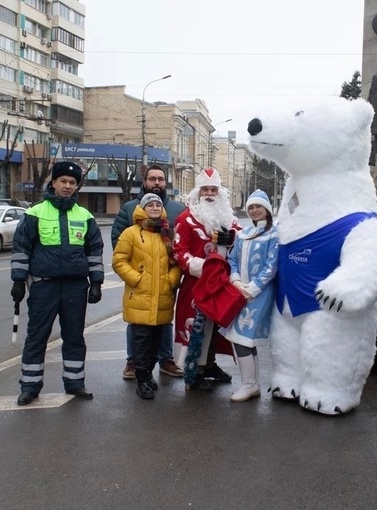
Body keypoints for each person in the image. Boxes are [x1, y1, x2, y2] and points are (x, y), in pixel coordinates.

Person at [11, 161, 104, 405]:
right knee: (37, 336)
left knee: (74, 336)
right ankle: (30, 386)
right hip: (44, 285)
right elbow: (22, 249)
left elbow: (94, 251)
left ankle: (75, 383)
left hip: (75, 286)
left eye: (72, 183)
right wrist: (19, 281)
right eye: (63, 181)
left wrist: (96, 282)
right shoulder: (35, 212)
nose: (67, 186)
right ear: (53, 183)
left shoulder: (85, 216)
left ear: (76, 187)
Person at [111, 164, 185, 380]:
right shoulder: (129, 208)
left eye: (160, 179)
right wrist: (137, 273)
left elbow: (180, 247)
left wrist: (171, 279)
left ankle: (166, 359)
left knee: (164, 321)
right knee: (137, 322)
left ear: (165, 182)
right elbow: (119, 240)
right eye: (152, 179)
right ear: (144, 182)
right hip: (141, 281)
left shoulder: (177, 211)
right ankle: (133, 361)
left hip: (164, 280)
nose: (156, 183)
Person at [173, 167, 240, 389]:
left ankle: (208, 364)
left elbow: (243, 243)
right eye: (205, 190)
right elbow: (179, 250)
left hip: (221, 284)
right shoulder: (186, 219)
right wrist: (203, 267)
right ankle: (193, 372)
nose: (209, 194)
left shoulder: (229, 220)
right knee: (196, 328)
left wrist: (231, 239)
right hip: (197, 284)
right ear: (197, 192)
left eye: (213, 189)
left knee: (216, 327)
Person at [219, 190, 278, 402]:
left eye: (258, 207)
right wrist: (235, 280)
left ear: (267, 210)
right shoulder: (243, 233)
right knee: (245, 339)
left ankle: (249, 384)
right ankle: (252, 384)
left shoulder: (274, 234)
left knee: (241, 337)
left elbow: (272, 266)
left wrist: (252, 288)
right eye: (251, 207)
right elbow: (232, 259)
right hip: (239, 292)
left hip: (259, 294)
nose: (254, 210)